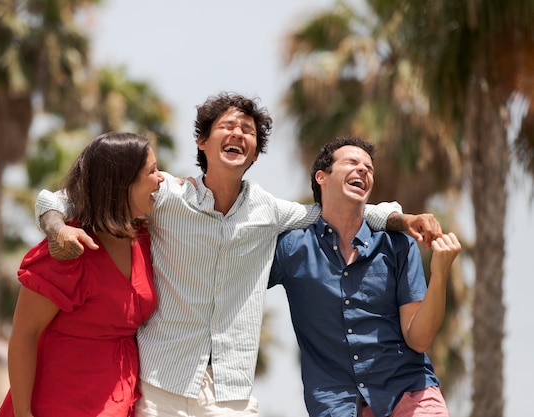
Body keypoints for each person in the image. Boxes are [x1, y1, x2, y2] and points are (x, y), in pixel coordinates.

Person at [35, 92, 441, 417]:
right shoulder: (165, 197)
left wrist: (398, 219)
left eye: (247, 131)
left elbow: (334, 210)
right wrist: (57, 227)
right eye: (227, 126)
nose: (238, 134)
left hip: (232, 391)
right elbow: (57, 196)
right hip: (162, 382)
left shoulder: (271, 211)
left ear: (255, 153)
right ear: (202, 141)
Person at [268, 136, 461, 417]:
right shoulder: (291, 248)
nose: (363, 170)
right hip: (335, 404)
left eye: (369, 168)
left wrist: (440, 275)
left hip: (410, 393)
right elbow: (238, 280)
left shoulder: (398, 245)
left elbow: (418, 340)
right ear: (322, 177)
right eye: (352, 163)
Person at [0, 132, 164, 417]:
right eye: (152, 171)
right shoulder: (66, 251)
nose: (162, 178)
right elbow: (25, 334)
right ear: (122, 183)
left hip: (119, 400)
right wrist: (23, 414)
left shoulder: (146, 238)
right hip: (58, 404)